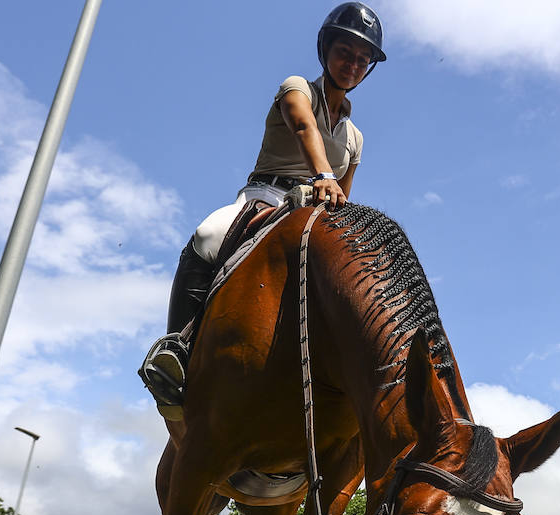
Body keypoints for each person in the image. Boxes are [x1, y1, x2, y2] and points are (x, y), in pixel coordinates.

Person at [139, 2, 387, 418]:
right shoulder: (297, 87)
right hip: (266, 196)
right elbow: (304, 126)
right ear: (325, 50)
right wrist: (322, 173)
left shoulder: (356, 138)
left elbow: (342, 197)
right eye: (346, 52)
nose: (353, 64)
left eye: (363, 59)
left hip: (313, 213)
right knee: (207, 235)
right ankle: (178, 350)